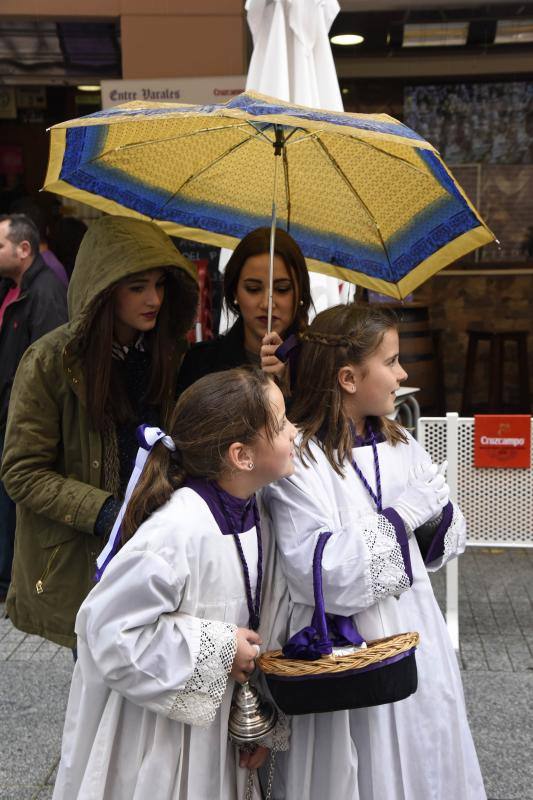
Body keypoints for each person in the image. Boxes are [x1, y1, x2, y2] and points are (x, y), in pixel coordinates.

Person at [263, 304, 486, 800]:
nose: (403, 374)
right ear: (347, 377)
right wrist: (404, 516)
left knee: (426, 754)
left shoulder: (401, 439)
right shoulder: (298, 461)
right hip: (346, 660)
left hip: (415, 639)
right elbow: (319, 574)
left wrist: (434, 517)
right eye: (391, 361)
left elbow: (451, 539)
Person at [52, 367, 295, 800]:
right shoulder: (175, 531)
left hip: (222, 733)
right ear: (241, 456)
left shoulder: (257, 512)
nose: (294, 431)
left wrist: (254, 720)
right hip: (163, 738)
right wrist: (221, 649)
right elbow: (109, 631)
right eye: (280, 424)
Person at [1, 215, 197, 646]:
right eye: (137, 286)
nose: (154, 299)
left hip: (152, 547)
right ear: (105, 289)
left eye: (161, 284)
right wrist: (107, 511)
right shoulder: (50, 361)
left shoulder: (168, 353)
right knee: (94, 695)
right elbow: (21, 471)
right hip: (84, 558)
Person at [0, 213, 68, 601]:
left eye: (1, 245)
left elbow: (45, 365)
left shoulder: (45, 289)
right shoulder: (16, 286)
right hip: (10, 413)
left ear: (24, 249)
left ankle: (13, 580)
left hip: (21, 417)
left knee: (15, 499)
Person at [177, 226, 312, 392]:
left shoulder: (320, 365)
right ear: (235, 292)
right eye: (253, 288)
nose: (267, 304)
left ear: (301, 293)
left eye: (282, 289)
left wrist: (286, 389)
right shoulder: (201, 362)